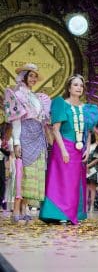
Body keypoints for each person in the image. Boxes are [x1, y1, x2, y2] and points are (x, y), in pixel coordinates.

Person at [39, 74, 98, 225]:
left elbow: (88, 131)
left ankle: (73, 213)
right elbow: (56, 129)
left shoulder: (87, 108)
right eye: (75, 85)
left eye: (81, 85)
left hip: (79, 149)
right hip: (63, 147)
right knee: (62, 181)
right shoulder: (61, 104)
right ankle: (58, 213)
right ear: (69, 88)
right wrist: (64, 150)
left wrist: (87, 148)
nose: (79, 88)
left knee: (75, 182)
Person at [4, 63, 51, 222]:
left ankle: (24, 207)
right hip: (24, 134)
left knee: (33, 173)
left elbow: (42, 120)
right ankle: (16, 209)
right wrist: (16, 142)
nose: (33, 79)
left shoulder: (37, 97)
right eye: (30, 75)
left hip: (37, 135)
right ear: (24, 76)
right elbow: (16, 121)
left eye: (35, 76)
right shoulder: (17, 95)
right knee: (22, 172)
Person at [86, 132, 98, 212]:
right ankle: (85, 205)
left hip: (93, 169)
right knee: (86, 187)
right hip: (85, 169)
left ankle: (91, 206)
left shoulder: (97, 146)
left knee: (92, 188)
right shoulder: (85, 146)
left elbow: (97, 159)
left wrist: (88, 166)